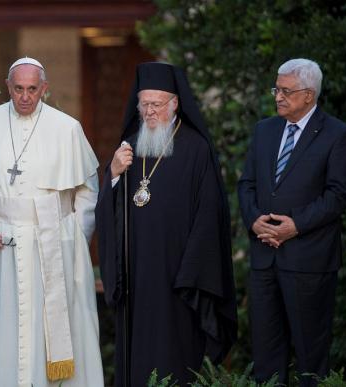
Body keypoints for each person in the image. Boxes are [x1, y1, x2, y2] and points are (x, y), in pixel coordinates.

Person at [0, 57, 104, 387]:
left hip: (54, 241)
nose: (25, 96)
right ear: (8, 88)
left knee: (49, 328)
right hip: (0, 242)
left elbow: (88, 190)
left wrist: (74, 235)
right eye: (18, 89)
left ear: (44, 89)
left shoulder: (67, 128)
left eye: (32, 89)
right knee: (4, 328)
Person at [95, 62, 237, 386]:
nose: (149, 112)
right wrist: (114, 175)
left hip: (178, 281)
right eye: (143, 104)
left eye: (156, 104)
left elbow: (209, 217)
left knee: (175, 362)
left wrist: (190, 275)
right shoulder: (129, 147)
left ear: (174, 103)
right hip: (137, 280)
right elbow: (109, 212)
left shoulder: (196, 149)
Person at [238, 58, 346, 386]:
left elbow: (337, 196)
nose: (278, 96)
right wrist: (254, 221)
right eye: (276, 89)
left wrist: (296, 226)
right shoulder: (264, 130)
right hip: (265, 260)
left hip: (309, 261)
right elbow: (246, 184)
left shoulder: (337, 134)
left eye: (286, 91)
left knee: (310, 359)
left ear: (309, 95)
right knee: (265, 357)